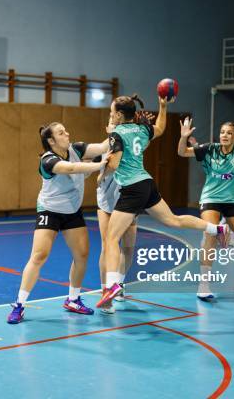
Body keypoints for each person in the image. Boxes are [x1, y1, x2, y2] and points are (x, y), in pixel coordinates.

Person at [96, 95, 229, 308]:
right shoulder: (142, 129)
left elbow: (115, 163)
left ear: (120, 115)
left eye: (112, 113)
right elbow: (159, 127)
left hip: (131, 188)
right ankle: (216, 229)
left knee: (111, 240)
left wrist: (103, 171)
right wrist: (163, 106)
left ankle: (112, 285)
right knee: (173, 220)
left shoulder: (116, 134)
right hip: (147, 184)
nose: (111, 116)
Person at [7, 122, 109, 324]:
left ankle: (73, 299)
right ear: (51, 141)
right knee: (39, 256)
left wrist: (117, 128)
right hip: (50, 211)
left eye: (66, 130)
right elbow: (71, 168)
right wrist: (99, 165)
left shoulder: (76, 149)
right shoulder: (48, 160)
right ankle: (19, 304)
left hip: (72, 211)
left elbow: (103, 147)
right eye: (61, 133)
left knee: (82, 254)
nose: (67, 134)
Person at [178, 118, 234, 300]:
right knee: (211, 235)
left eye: (229, 133)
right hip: (211, 199)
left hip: (233, 201)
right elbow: (182, 152)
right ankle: (203, 285)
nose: (224, 136)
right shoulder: (209, 149)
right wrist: (183, 137)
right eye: (222, 132)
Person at [95, 111, 154, 314]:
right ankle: (106, 292)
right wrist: (100, 173)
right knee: (107, 246)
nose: (114, 123)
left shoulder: (128, 142)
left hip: (128, 199)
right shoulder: (104, 148)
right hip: (105, 203)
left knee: (128, 248)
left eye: (116, 119)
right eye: (110, 120)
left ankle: (118, 285)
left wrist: (144, 127)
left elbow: (144, 141)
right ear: (107, 127)